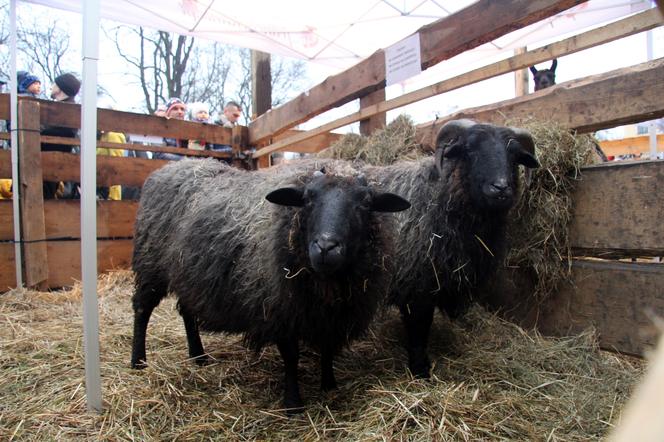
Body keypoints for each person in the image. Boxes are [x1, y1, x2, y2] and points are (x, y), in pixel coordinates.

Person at [41, 72, 81, 198]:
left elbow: (65, 134)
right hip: (49, 161)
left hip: (51, 162)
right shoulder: (62, 108)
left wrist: (40, 133)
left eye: (54, 83)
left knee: (44, 195)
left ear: (61, 88)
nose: (51, 86)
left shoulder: (67, 110)